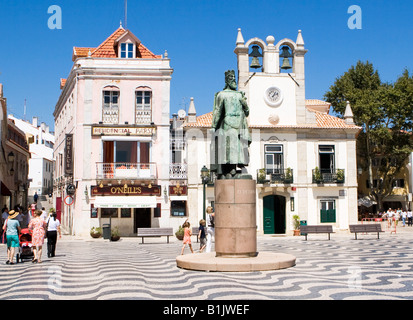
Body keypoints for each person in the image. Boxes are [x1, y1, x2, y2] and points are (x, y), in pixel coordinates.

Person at [210, 69, 252, 179]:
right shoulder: (222, 95)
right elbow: (218, 111)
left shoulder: (240, 95)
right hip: (228, 123)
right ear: (226, 81)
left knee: (238, 147)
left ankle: (235, 167)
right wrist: (214, 126)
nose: (233, 80)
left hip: (239, 124)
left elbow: (247, 113)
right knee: (229, 146)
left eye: (234, 78)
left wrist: (245, 104)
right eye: (231, 78)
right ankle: (229, 168)